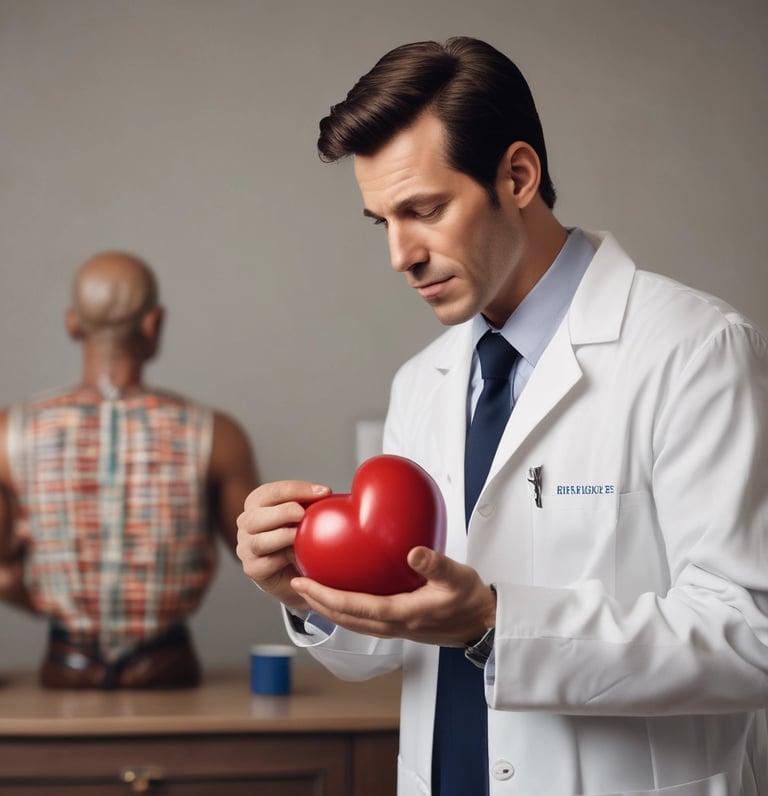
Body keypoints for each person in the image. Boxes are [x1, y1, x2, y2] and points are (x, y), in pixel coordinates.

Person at [236, 37, 768, 795]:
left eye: (423, 210)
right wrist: (305, 589)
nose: (400, 255)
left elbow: (751, 637)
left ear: (517, 175)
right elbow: (395, 637)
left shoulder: (694, 350)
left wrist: (493, 624)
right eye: (380, 221)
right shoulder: (423, 382)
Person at [0, 251, 259, 689]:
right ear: (153, 323)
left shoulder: (10, 434)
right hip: (166, 665)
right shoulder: (215, 434)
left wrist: (52, 603)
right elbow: (261, 555)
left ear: (72, 323)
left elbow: (3, 576)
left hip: (68, 663)